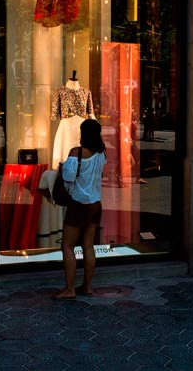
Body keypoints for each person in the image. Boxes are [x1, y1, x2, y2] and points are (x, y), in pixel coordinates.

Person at [52, 119, 107, 300]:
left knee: (67, 246)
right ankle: (88, 286)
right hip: (95, 203)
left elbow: (68, 178)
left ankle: (69, 289)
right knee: (88, 246)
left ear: (83, 133)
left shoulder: (76, 153)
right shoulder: (101, 153)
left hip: (79, 204)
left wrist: (62, 168)